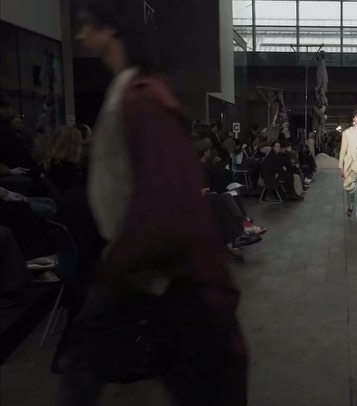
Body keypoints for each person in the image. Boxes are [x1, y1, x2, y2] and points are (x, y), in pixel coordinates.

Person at [54, 3, 247, 404]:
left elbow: (165, 201)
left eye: (87, 25)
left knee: (200, 381)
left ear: (112, 30)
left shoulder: (144, 98)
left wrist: (114, 264)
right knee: (83, 370)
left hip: (161, 271)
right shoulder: (133, 93)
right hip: (145, 268)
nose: (80, 35)